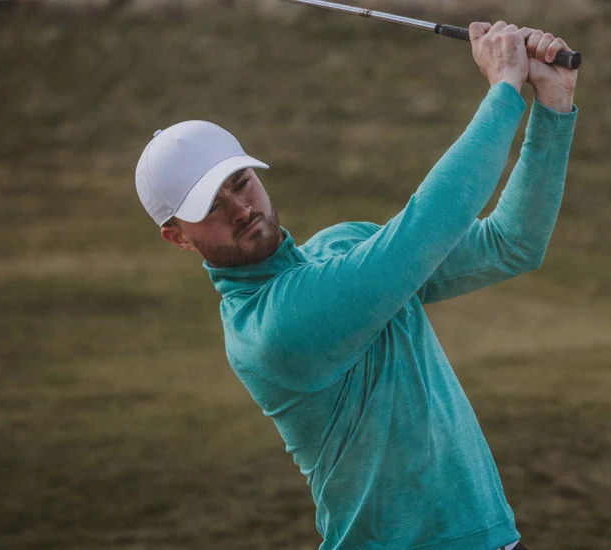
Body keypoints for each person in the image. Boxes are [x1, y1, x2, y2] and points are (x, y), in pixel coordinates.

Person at [135, 21, 578, 550]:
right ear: (177, 237)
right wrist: (504, 89)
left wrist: (553, 105)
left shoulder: (344, 245)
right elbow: (424, 229)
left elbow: (511, 244)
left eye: (240, 183)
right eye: (210, 207)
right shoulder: (272, 328)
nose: (241, 209)